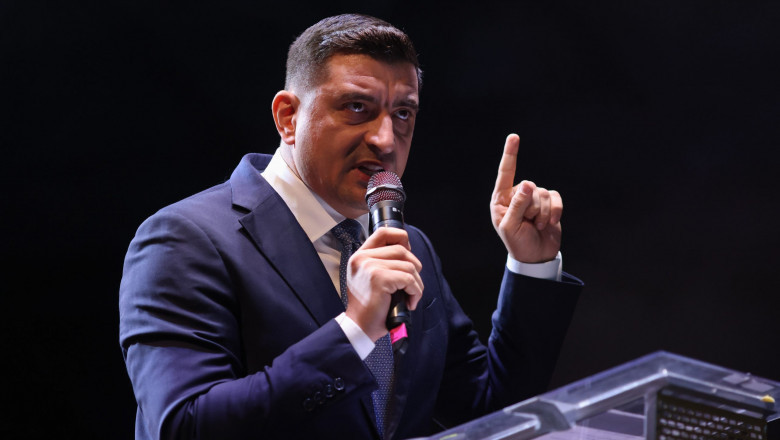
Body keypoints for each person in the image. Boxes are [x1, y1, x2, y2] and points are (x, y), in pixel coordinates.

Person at [119, 13, 583, 440]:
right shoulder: (184, 239)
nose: (385, 140)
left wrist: (531, 266)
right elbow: (183, 426)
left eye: (403, 113)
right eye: (357, 107)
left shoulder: (409, 246)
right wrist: (355, 331)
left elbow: (493, 411)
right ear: (288, 118)